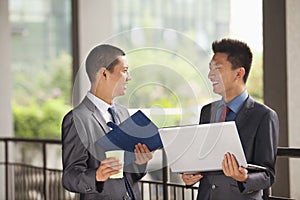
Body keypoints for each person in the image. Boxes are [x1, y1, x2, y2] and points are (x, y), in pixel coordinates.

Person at [181, 38, 279, 200]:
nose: (210, 75)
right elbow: (204, 159)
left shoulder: (264, 116)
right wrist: (191, 174)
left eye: (217, 68)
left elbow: (268, 175)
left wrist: (244, 178)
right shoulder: (207, 111)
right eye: (210, 68)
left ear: (239, 73)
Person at [61, 44, 153, 200]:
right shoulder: (77, 119)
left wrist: (140, 162)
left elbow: (130, 175)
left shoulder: (123, 113)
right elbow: (70, 177)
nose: (129, 77)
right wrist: (97, 175)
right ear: (104, 74)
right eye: (124, 71)